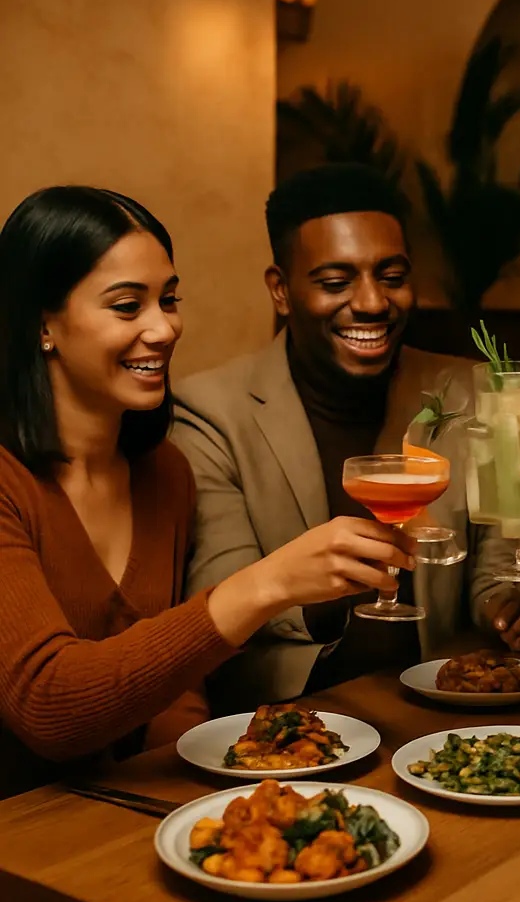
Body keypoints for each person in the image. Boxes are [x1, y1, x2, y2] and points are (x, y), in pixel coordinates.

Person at [0, 186, 410, 799]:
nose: (164, 328)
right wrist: (264, 585)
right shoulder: (10, 482)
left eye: (168, 299)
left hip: (123, 813)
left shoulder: (164, 470)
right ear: (43, 324)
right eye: (126, 305)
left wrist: (205, 798)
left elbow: (175, 682)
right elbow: (49, 706)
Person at [172, 163, 520, 712]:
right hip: (297, 718)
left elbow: (493, 563)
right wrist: (326, 585)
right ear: (281, 291)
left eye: (392, 276)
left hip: (442, 714)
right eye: (335, 282)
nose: (373, 302)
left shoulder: (468, 392)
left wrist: (503, 607)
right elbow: (225, 594)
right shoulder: (211, 412)